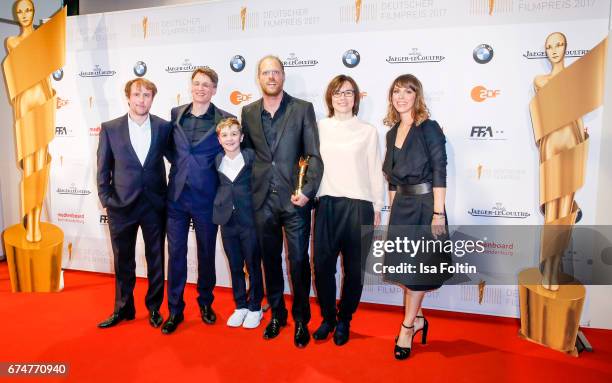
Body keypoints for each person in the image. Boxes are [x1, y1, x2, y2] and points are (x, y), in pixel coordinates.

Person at [241, 55, 323, 348]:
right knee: (270, 263)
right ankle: (277, 314)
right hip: (262, 201)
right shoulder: (248, 112)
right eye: (266, 73)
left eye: (276, 72)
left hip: (295, 200)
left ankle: (301, 319)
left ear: (284, 76)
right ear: (259, 77)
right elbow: (248, 156)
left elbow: (312, 154)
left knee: (299, 261)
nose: (271, 77)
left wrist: (308, 190)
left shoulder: (302, 109)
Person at [312, 75, 384, 345]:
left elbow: (375, 170)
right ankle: (328, 317)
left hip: (359, 206)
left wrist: (378, 206)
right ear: (330, 97)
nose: (343, 98)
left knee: (354, 271)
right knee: (321, 268)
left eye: (349, 93)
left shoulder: (368, 131)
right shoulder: (320, 127)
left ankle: (344, 320)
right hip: (327, 204)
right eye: (338, 93)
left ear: (356, 98)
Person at [162, 68, 235, 334]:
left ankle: (206, 303)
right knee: (176, 254)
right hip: (177, 198)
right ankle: (174, 310)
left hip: (208, 198)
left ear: (214, 89)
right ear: (191, 86)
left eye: (207, 85)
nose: (201, 88)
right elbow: (171, 149)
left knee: (206, 254)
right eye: (197, 83)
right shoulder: (175, 114)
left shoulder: (226, 119)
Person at [382, 74, 449, 360]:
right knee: (404, 271)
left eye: (407, 92)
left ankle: (407, 327)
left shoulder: (429, 128)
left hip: (424, 207)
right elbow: (393, 180)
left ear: (416, 96)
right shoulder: (391, 131)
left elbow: (439, 171)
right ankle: (419, 317)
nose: (401, 97)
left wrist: (438, 212)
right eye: (396, 91)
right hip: (401, 208)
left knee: (417, 274)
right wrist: (392, 212)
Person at [96, 78, 171, 329]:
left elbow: (180, 161)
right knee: (123, 259)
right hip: (121, 206)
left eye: (147, 95)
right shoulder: (110, 128)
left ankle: (154, 309)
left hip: (154, 205)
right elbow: (103, 168)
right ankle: (123, 308)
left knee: (156, 259)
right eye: (137, 94)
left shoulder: (163, 127)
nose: (142, 99)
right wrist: (107, 199)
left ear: (153, 98)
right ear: (128, 97)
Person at [532, 32, 587, 291]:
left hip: (573, 144)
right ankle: (548, 269)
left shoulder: (576, 78)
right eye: (549, 46)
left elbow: (578, 115)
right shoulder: (540, 80)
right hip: (552, 145)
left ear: (566, 47)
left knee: (565, 211)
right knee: (552, 212)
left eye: (559, 44)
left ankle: (557, 266)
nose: (554, 50)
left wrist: (584, 136)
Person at [4, 0, 52, 243]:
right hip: (24, 102)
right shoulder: (11, 42)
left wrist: (53, 99)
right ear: (16, 15)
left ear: (34, 13)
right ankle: (30, 222)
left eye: (28, 10)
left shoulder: (44, 38)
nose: (24, 15)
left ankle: (36, 224)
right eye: (20, 11)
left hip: (43, 100)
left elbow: (46, 77)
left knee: (40, 166)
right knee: (29, 168)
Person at [212, 118, 264, 329]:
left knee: (252, 265)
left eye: (234, 134)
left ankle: (255, 307)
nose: (230, 138)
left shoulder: (251, 157)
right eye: (225, 135)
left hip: (249, 219)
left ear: (242, 137)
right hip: (227, 221)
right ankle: (240, 305)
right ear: (219, 139)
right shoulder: (217, 160)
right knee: (235, 265)